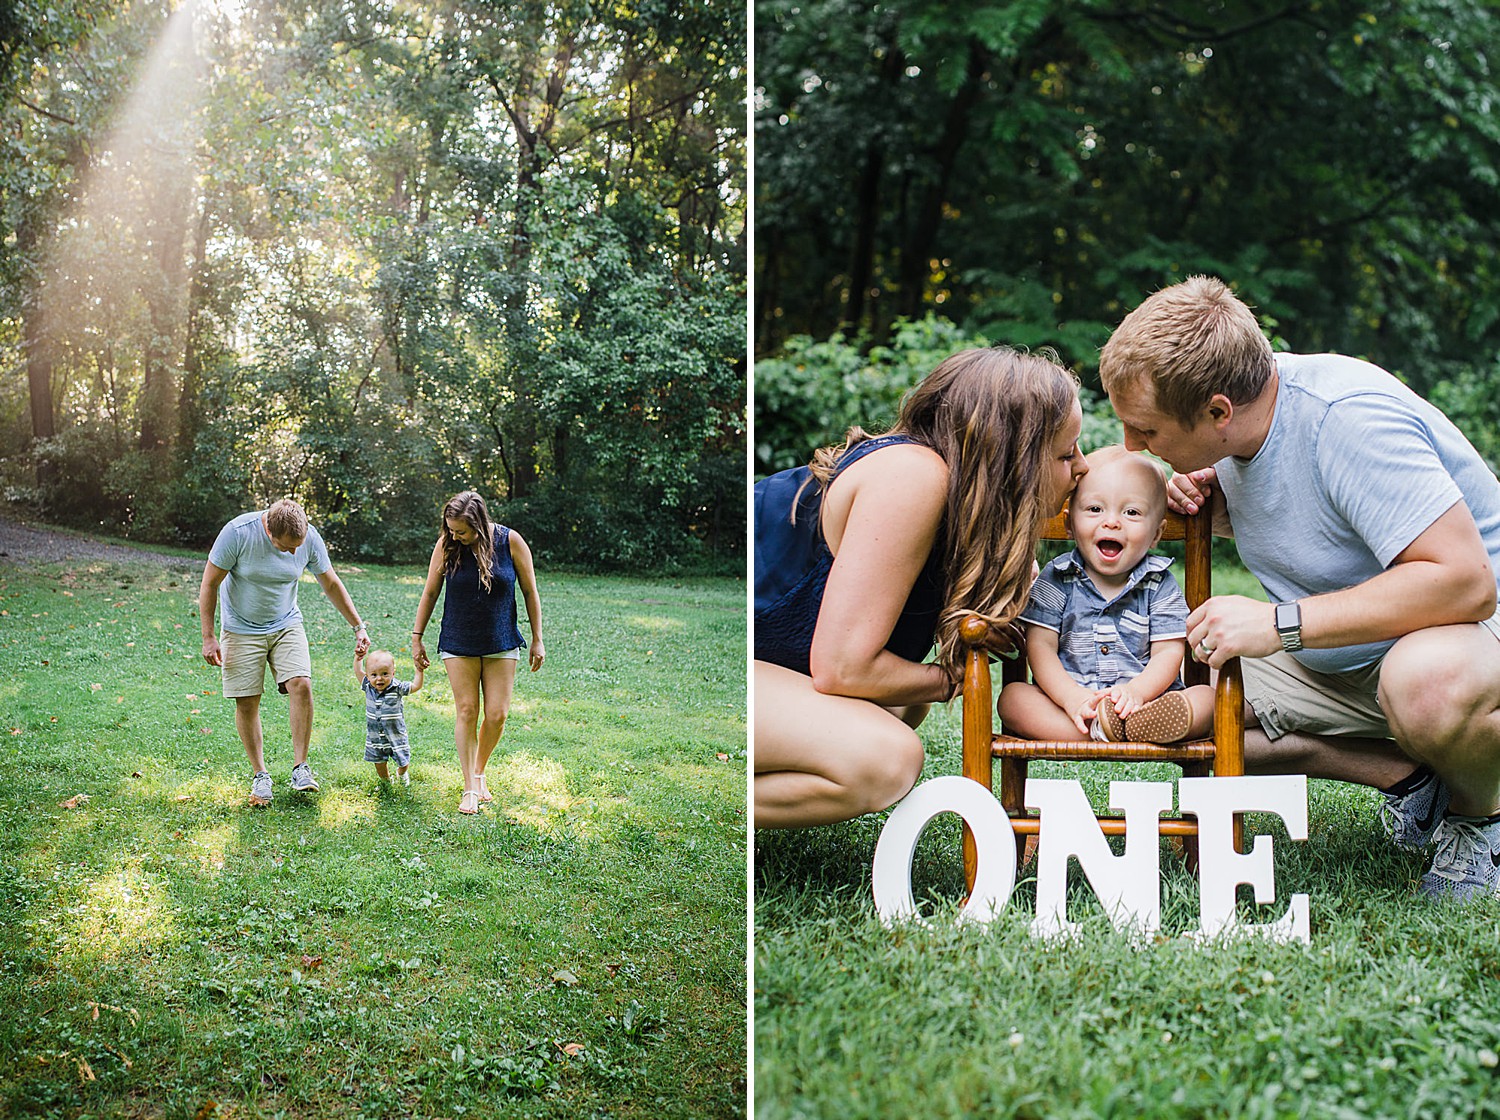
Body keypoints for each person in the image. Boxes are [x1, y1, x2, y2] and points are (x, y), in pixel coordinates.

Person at [1100, 275, 1500, 902]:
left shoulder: (1347, 420)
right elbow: (1306, 516)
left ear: (1216, 412)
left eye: (1145, 431)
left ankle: (1480, 820)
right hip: (1347, 656)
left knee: (1426, 689)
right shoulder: (1240, 426)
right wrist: (1197, 492)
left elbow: (1466, 583)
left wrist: (1280, 623)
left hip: (1467, 643)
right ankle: (1413, 779)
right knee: (1179, 717)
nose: (1132, 444)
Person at [754, 346, 1088, 828]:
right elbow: (843, 668)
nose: (1081, 468)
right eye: (1064, 452)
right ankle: (719, 806)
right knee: (886, 757)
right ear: (1010, 457)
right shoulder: (913, 475)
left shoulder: (959, 512)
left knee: (902, 703)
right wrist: (956, 678)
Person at [998, 445, 1215, 745]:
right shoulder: (1056, 578)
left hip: (1146, 702)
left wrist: (1137, 692)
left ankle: (1133, 726)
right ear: (1069, 524)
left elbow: (1168, 652)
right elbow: (1041, 648)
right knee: (1013, 698)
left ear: (1156, 534)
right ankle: (1102, 729)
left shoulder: (1159, 584)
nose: (1112, 522)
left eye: (1132, 512)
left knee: (1206, 697)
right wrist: (1071, 698)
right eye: (1095, 509)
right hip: (1069, 704)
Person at [199, 498, 370, 806]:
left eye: (297, 546)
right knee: (247, 700)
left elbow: (330, 583)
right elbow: (210, 584)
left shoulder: (309, 538)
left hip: (286, 623)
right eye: (286, 547)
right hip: (240, 628)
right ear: (268, 531)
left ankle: (300, 767)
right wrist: (209, 637)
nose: (294, 553)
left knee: (301, 684)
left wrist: (358, 626)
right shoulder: (238, 533)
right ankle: (260, 775)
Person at [411, 491, 545, 815]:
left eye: (462, 531)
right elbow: (430, 591)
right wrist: (417, 637)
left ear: (480, 525)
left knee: (497, 714)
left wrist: (538, 639)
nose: (455, 536)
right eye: (451, 530)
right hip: (459, 639)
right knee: (467, 711)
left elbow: (530, 590)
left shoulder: (510, 542)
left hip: (501, 639)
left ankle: (479, 769)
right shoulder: (447, 545)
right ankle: (470, 787)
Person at [356, 648, 423, 786]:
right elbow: (358, 672)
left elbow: (416, 686)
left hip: (396, 734)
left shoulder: (397, 687)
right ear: (367, 676)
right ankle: (386, 781)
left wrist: (419, 670)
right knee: (379, 763)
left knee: (403, 760)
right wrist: (358, 659)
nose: (379, 678)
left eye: (385, 674)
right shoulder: (368, 686)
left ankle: (402, 773)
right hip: (376, 736)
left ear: (393, 673)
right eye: (374, 675)